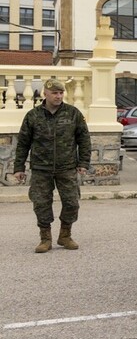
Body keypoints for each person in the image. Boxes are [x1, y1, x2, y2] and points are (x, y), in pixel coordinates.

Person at [13, 78, 91, 253]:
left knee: (72, 202)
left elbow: (84, 139)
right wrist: (19, 167)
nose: (58, 96)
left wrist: (84, 162)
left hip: (67, 167)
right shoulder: (33, 116)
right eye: (54, 93)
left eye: (61, 92)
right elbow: (23, 143)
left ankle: (65, 236)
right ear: (45, 94)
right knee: (41, 203)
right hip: (41, 168)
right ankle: (45, 238)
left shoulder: (73, 113)